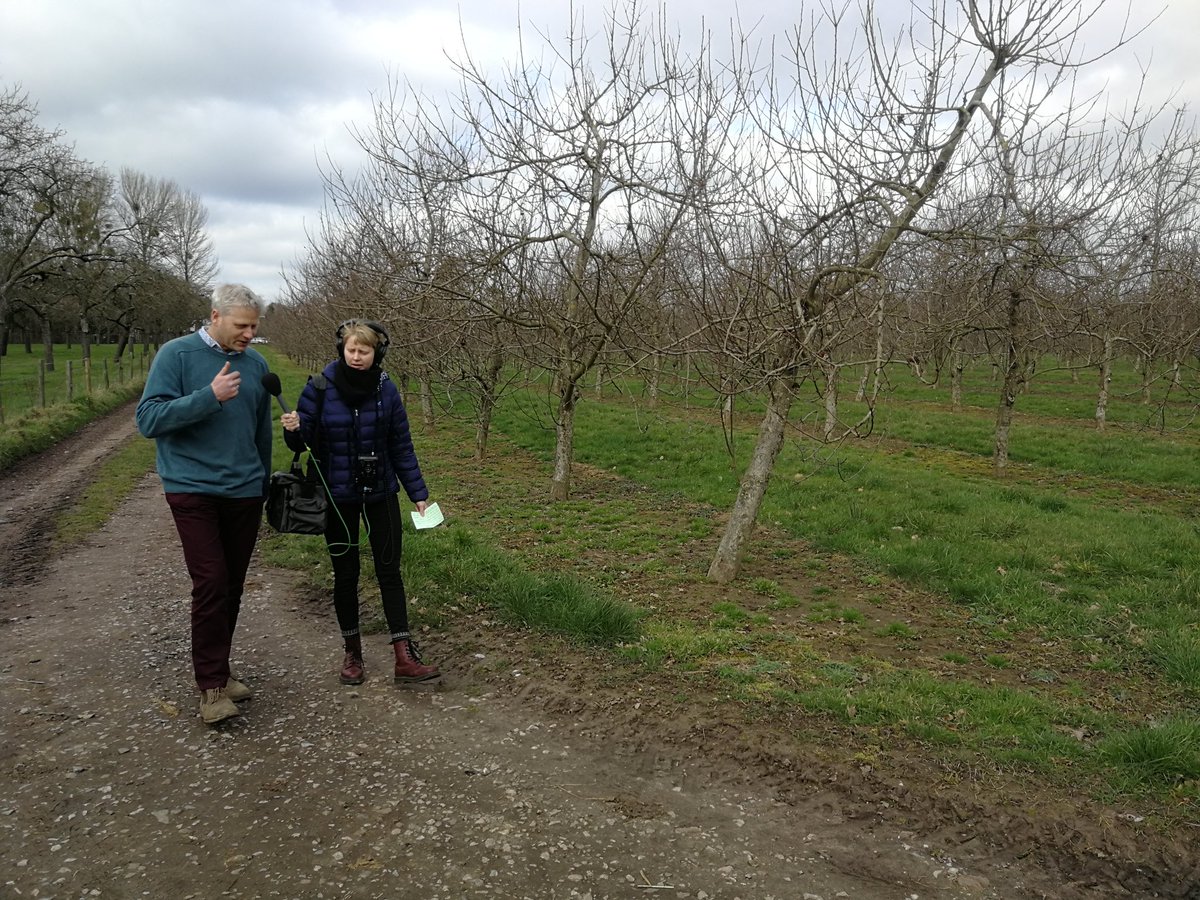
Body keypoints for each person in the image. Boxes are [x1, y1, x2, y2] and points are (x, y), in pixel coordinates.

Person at [136, 284, 273, 726]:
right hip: (192, 486)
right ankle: (211, 687)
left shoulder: (256, 364)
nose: (249, 334)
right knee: (211, 581)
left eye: (254, 326)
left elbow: (261, 432)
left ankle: (221, 668)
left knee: (232, 583)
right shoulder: (176, 356)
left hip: (244, 490)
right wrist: (207, 397)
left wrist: (263, 482)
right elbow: (149, 419)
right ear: (215, 316)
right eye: (241, 325)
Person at [280, 319, 440, 687]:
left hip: (381, 492)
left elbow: (401, 445)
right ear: (342, 350)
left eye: (364, 351)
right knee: (346, 574)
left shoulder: (387, 389)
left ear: (376, 353)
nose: (356, 357)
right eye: (351, 350)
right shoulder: (319, 388)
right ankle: (352, 652)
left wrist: (418, 494)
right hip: (337, 498)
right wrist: (294, 430)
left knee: (390, 570)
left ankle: (404, 655)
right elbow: (302, 446)